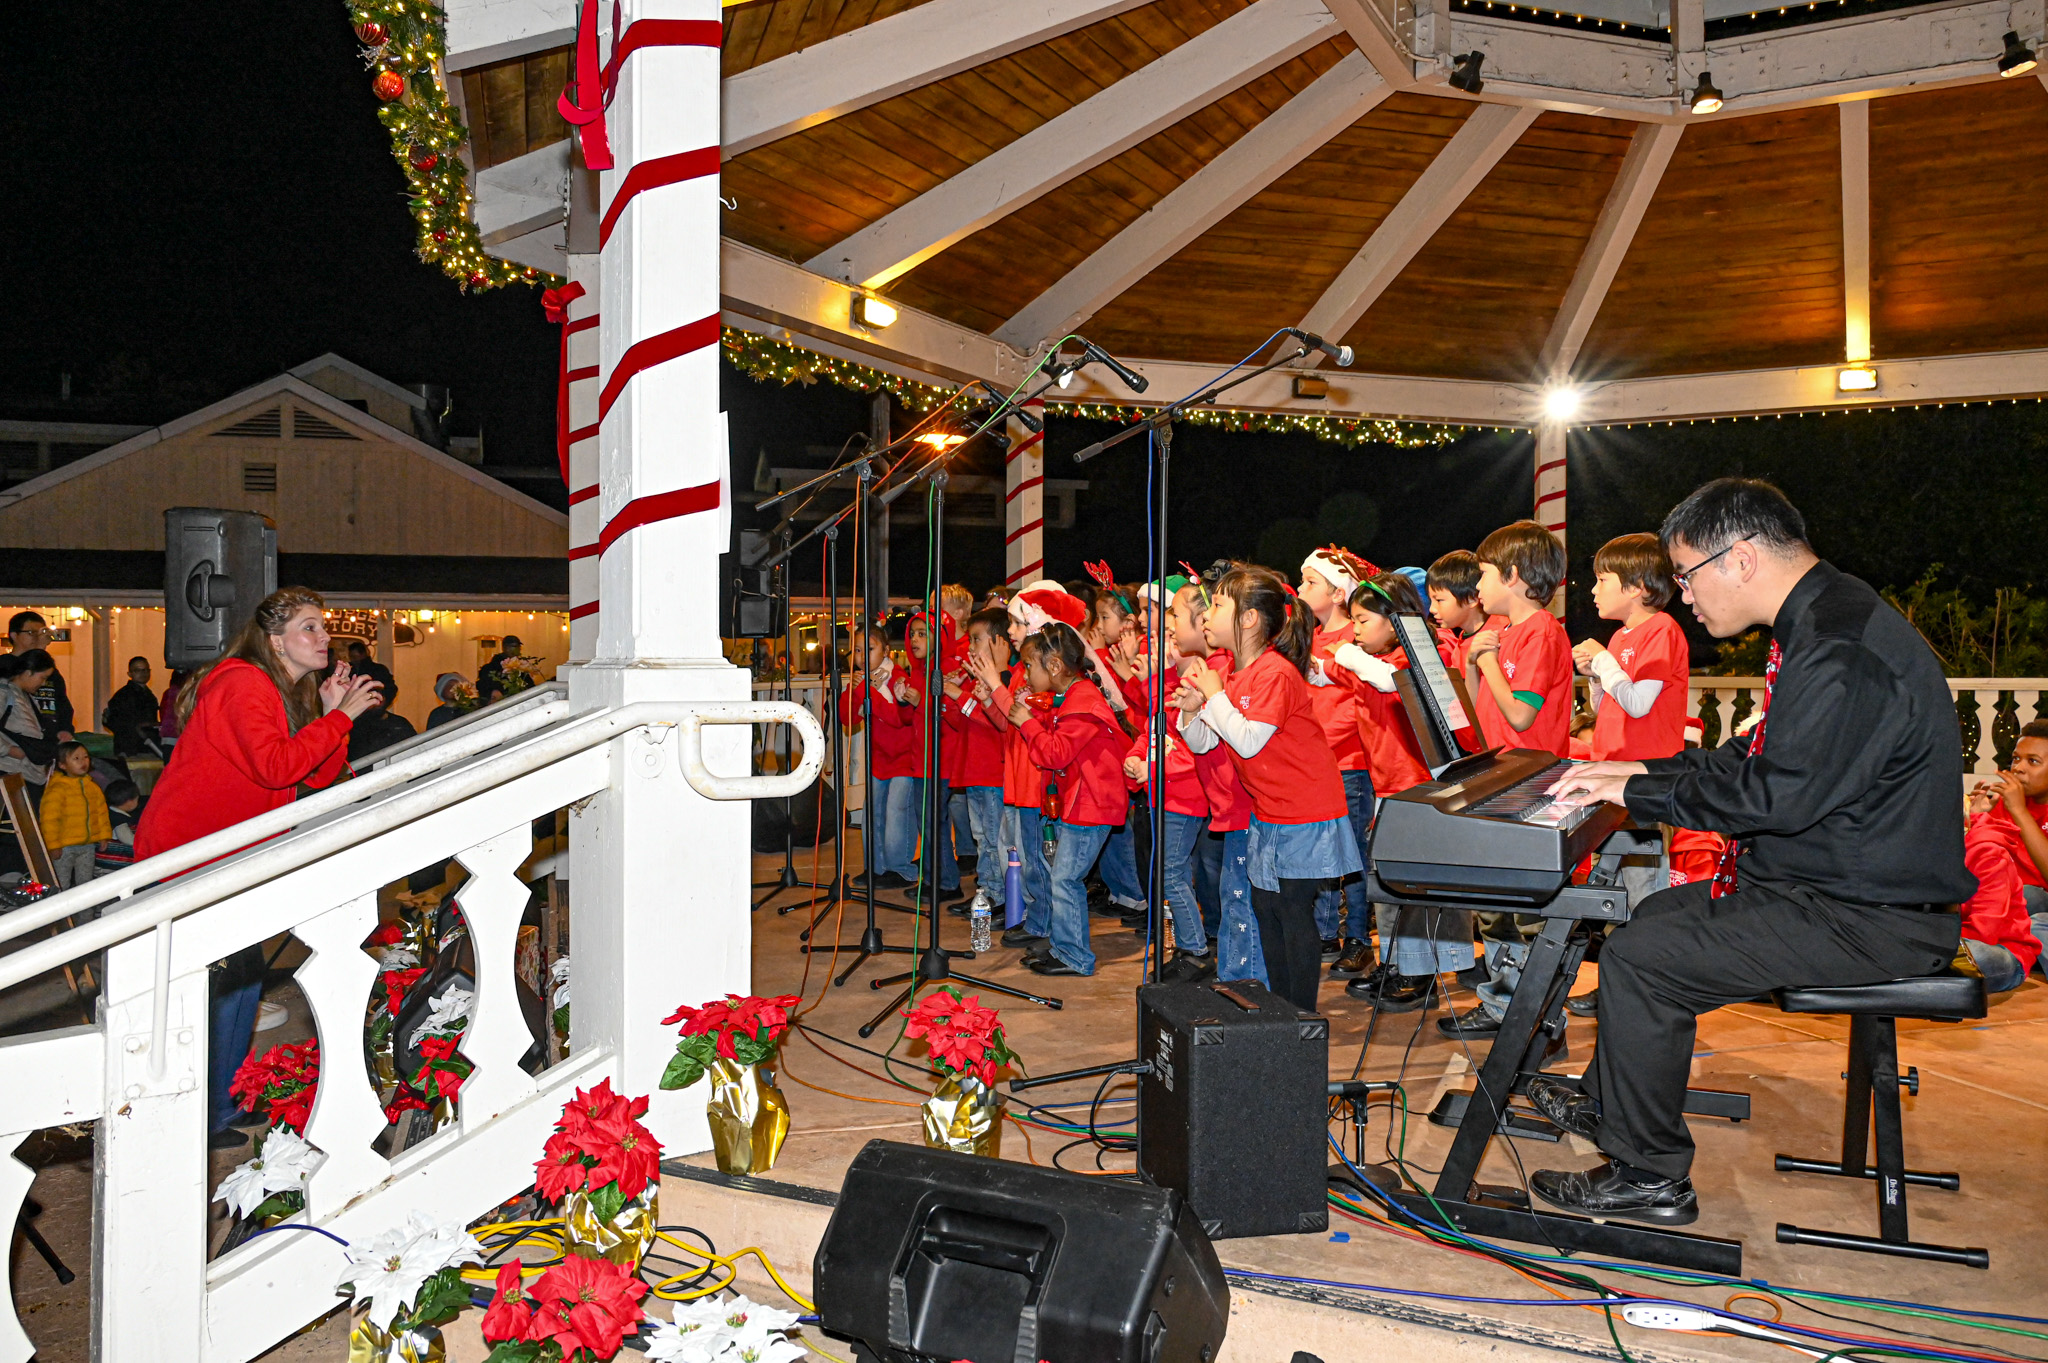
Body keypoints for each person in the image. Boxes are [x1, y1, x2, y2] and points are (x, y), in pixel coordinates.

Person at [1531, 478, 1971, 1224]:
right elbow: (1754, 758)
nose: (1684, 594)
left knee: (1643, 959)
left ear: (1737, 559)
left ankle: (1650, 1174)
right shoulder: (1827, 618)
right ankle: (1614, 1104)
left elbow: (1772, 796)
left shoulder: (1838, 649)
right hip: (1835, 888)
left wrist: (1634, 794)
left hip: (1873, 915)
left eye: (1685, 573)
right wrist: (1637, 772)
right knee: (1656, 917)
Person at [136, 586, 383, 1150]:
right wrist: (339, 717)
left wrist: (328, 716)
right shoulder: (241, 682)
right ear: (275, 640)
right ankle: (195, 1114)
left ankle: (220, 1105)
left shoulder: (276, 688)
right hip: (193, 855)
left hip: (230, 857)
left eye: (324, 627)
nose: (325, 638)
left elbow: (313, 777)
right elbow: (276, 769)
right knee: (216, 988)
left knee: (240, 983)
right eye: (310, 628)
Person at [1176, 566, 1359, 1012]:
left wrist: (1215, 695)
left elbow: (1249, 740)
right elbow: (1205, 741)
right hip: (1271, 813)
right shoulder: (1236, 676)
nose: (1207, 615)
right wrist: (1191, 711)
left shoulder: (1273, 672)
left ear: (1249, 619)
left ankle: (1300, 1017)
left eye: (1218, 605)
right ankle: (1282, 1012)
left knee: (1292, 913)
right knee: (1267, 909)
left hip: (1306, 811)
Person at [1010, 621, 1128, 977]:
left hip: (1092, 805)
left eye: (1029, 665)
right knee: (1063, 877)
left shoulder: (1083, 702)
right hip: (1081, 801)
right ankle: (1063, 948)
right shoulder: (1073, 697)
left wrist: (1026, 723)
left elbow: (1056, 754)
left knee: (1065, 879)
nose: (1025, 673)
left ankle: (1075, 956)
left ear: (1055, 666)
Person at [979, 584, 1087, 955]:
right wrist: (992, 695)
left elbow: (1037, 724)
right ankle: (1040, 922)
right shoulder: (1027, 673)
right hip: (1020, 777)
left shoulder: (1047, 676)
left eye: (1015, 622)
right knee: (1030, 860)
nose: (1009, 631)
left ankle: (1047, 926)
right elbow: (1010, 723)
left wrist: (996, 684)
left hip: (1037, 782)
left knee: (1041, 860)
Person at [1123, 576, 1214, 981]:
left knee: (1172, 873)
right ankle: (1187, 946)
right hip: (1164, 793)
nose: (1161, 645)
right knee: (1170, 872)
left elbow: (1193, 754)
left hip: (1184, 796)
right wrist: (1136, 757)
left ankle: (1194, 950)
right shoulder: (1168, 684)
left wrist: (1153, 768)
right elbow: (1150, 732)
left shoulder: (1194, 685)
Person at [1298, 547, 1380, 974]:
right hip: (1317, 765)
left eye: (1311, 582)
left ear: (1336, 592)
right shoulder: (1309, 638)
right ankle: (1325, 931)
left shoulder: (1356, 637)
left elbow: (1358, 705)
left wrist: (1322, 742)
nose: (1300, 589)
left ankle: (1359, 939)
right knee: (1323, 853)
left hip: (1347, 763)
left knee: (1351, 854)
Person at [1575, 534, 1690, 764]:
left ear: (1636, 587)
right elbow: (1607, 711)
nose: (1594, 590)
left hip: (1644, 770)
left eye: (1602, 580)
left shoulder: (1661, 629)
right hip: (1612, 763)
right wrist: (1597, 677)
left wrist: (1603, 659)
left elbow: (1637, 705)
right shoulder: (1619, 636)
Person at [839, 621, 921, 890]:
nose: (861, 657)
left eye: (868, 649)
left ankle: (901, 868)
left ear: (885, 650)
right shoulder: (861, 681)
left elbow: (899, 719)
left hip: (904, 758)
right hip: (879, 759)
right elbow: (847, 718)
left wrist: (868, 691)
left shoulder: (898, 677)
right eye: (857, 651)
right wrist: (855, 690)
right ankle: (875, 867)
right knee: (873, 814)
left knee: (897, 812)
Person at [946, 609, 1012, 918]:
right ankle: (986, 893)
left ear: (999, 642)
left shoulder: (1005, 679)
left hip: (993, 773)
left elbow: (996, 722)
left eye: (976, 640)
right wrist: (949, 696)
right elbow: (964, 722)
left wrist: (960, 694)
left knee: (993, 839)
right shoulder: (979, 681)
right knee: (981, 838)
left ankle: (996, 896)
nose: (970, 647)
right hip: (975, 772)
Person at [1966, 719, 2048, 965]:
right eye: (2015, 759)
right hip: (2006, 902)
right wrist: (1975, 820)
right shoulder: (2004, 803)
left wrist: (2019, 811)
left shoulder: (2015, 804)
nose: (2018, 768)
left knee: (2031, 903)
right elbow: (1976, 865)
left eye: (2033, 761)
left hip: (2032, 902)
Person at [39, 741, 110, 888]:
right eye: (76, 758)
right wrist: (53, 845)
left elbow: (101, 813)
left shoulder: (92, 786)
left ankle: (86, 911)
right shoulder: (57, 789)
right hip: (64, 847)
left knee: (86, 884)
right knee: (61, 883)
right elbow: (49, 820)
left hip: (87, 845)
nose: (83, 762)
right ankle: (60, 911)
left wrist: (104, 836)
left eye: (85, 757)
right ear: (62, 765)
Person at [0, 649, 60, 799]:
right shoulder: (4, 694)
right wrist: (10, 750)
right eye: (42, 677)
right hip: (11, 770)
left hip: (26, 771)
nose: (43, 683)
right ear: (28, 672)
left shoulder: (24, 696)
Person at [6, 612, 74, 745]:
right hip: (19, 742)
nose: (37, 637)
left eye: (41, 632)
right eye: (31, 632)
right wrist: (39, 650)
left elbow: (62, 702)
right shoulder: (5, 664)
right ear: (14, 635)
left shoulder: (52, 672)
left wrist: (65, 729)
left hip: (48, 740)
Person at [1426, 551, 1498, 672]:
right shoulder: (1462, 640)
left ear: (1471, 599)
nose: (1432, 609)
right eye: (1430, 600)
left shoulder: (1497, 635)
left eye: (1439, 600)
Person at [102, 655, 163, 756]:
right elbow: (113, 722)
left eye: (146, 670)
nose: (143, 673)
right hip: (131, 749)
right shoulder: (123, 695)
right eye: (138, 670)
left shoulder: (148, 695)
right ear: (129, 673)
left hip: (147, 746)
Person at [347, 680, 418, 763]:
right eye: (371, 697)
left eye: (380, 696)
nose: (376, 702)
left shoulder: (400, 723)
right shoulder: (354, 725)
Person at [158, 668, 190, 743]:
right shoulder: (186, 694)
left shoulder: (169, 693)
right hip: (180, 735)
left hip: (168, 735)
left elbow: (163, 712)